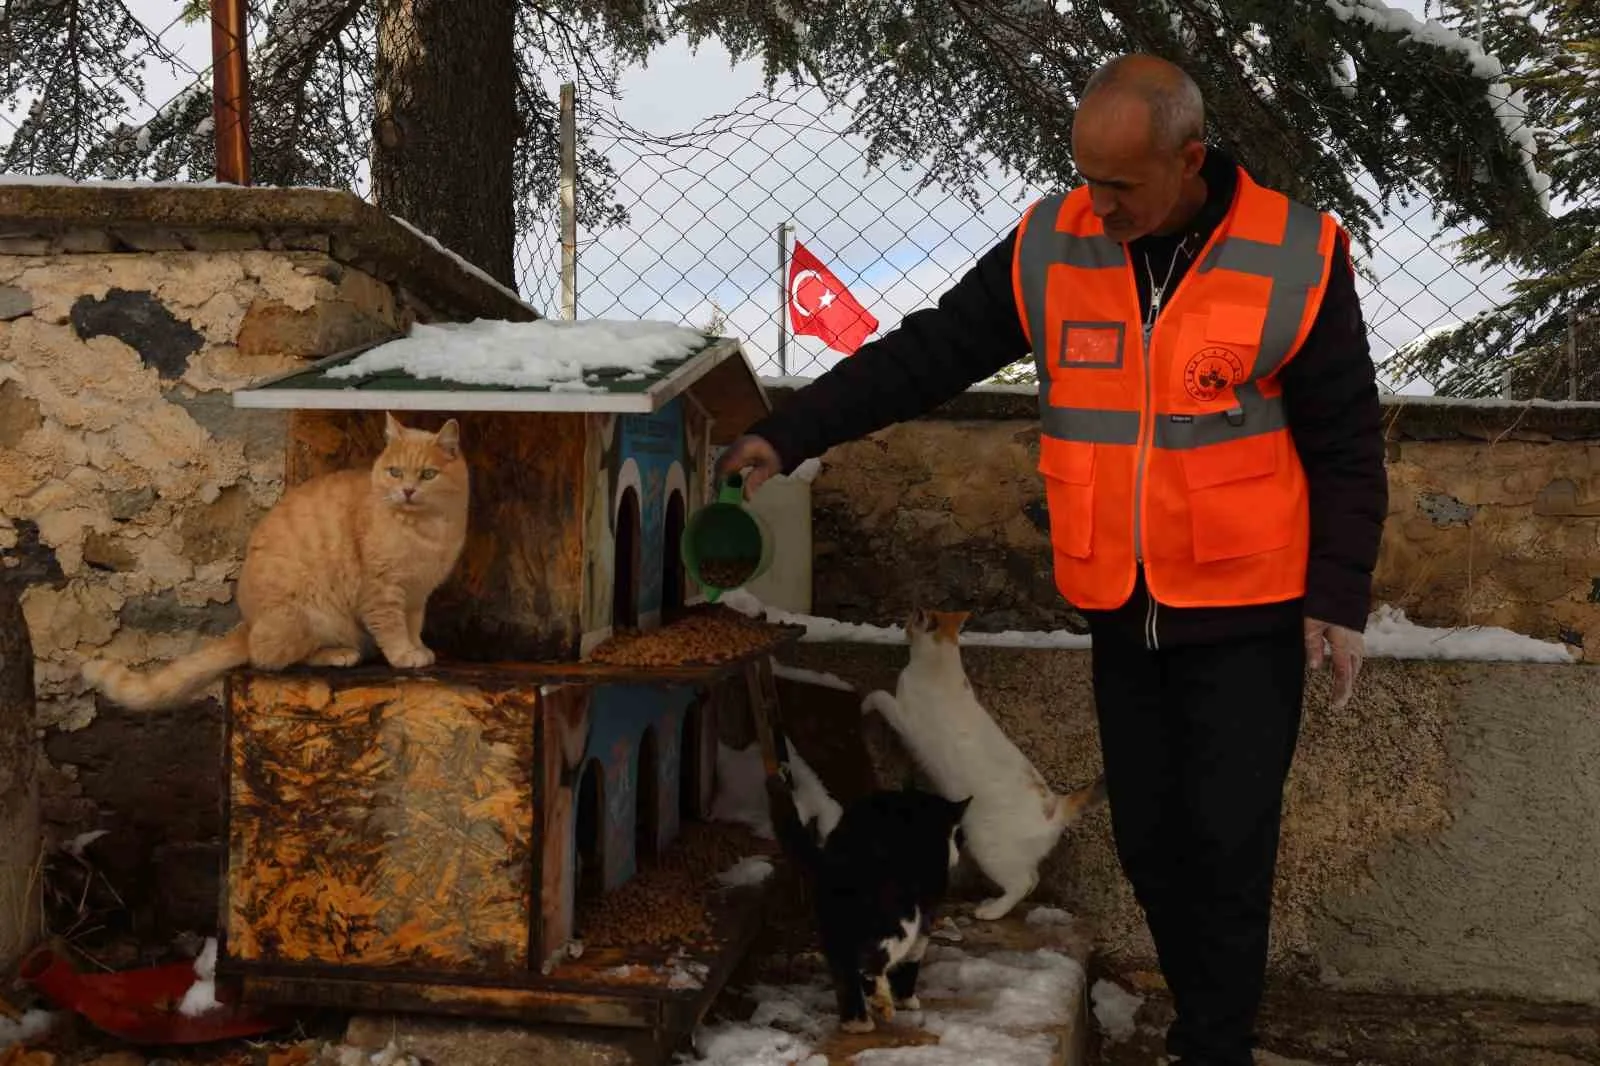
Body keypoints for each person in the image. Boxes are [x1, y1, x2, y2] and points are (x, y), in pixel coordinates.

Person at [717, 53, 1388, 1066]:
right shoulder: (1053, 244)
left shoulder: (1293, 253)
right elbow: (928, 351)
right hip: (1122, 607)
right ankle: (1205, 1025)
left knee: (1227, 845)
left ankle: (1214, 1046)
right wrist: (791, 433)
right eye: (1085, 178)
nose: (1099, 204)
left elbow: (1343, 441)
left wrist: (1336, 597)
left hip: (1247, 607)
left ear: (1189, 159)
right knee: (1151, 845)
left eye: (1121, 185)